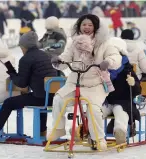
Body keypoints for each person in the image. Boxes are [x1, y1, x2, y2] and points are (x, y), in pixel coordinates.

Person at [48, 14, 122, 150]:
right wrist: (58, 61)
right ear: (79, 26)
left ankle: (99, 138)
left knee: (93, 109)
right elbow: (66, 58)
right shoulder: (74, 43)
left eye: (90, 25)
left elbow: (115, 56)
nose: (86, 27)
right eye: (84, 25)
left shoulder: (103, 43)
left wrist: (108, 62)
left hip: (95, 85)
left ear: (95, 27)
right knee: (58, 99)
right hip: (74, 83)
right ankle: (58, 129)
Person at [0, 31, 58, 143]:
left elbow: (21, 84)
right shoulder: (46, 55)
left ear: (25, 46)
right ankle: (41, 133)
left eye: (21, 47)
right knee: (43, 98)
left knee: (9, 103)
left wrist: (12, 73)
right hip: (54, 97)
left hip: (40, 98)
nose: (21, 50)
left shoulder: (26, 59)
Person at [102, 37, 141, 145]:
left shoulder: (127, 69)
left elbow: (138, 90)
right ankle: (90, 131)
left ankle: (120, 131)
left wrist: (133, 84)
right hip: (106, 101)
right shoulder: (102, 68)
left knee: (121, 113)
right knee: (96, 111)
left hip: (122, 101)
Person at [120, 29, 146, 104]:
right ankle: (143, 96)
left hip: (118, 78)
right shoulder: (138, 49)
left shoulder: (115, 48)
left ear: (121, 37)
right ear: (133, 37)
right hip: (134, 78)